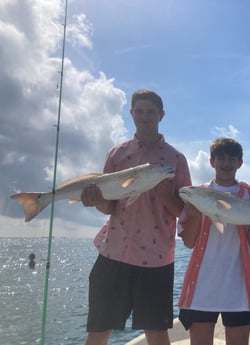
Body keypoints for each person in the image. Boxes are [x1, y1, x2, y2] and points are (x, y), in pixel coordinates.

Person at [80, 89, 191, 345]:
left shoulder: (176, 160)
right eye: (139, 111)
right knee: (98, 329)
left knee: (157, 332)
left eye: (151, 111)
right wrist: (95, 200)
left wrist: (165, 197)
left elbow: (185, 213)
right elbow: (109, 207)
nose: (145, 116)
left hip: (156, 260)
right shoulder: (117, 154)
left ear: (161, 115)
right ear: (131, 114)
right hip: (113, 252)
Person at [177, 137, 250, 345]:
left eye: (232, 159)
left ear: (240, 163)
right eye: (221, 158)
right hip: (202, 284)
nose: (226, 163)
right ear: (211, 162)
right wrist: (194, 217)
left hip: (239, 285)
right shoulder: (198, 193)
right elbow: (189, 242)